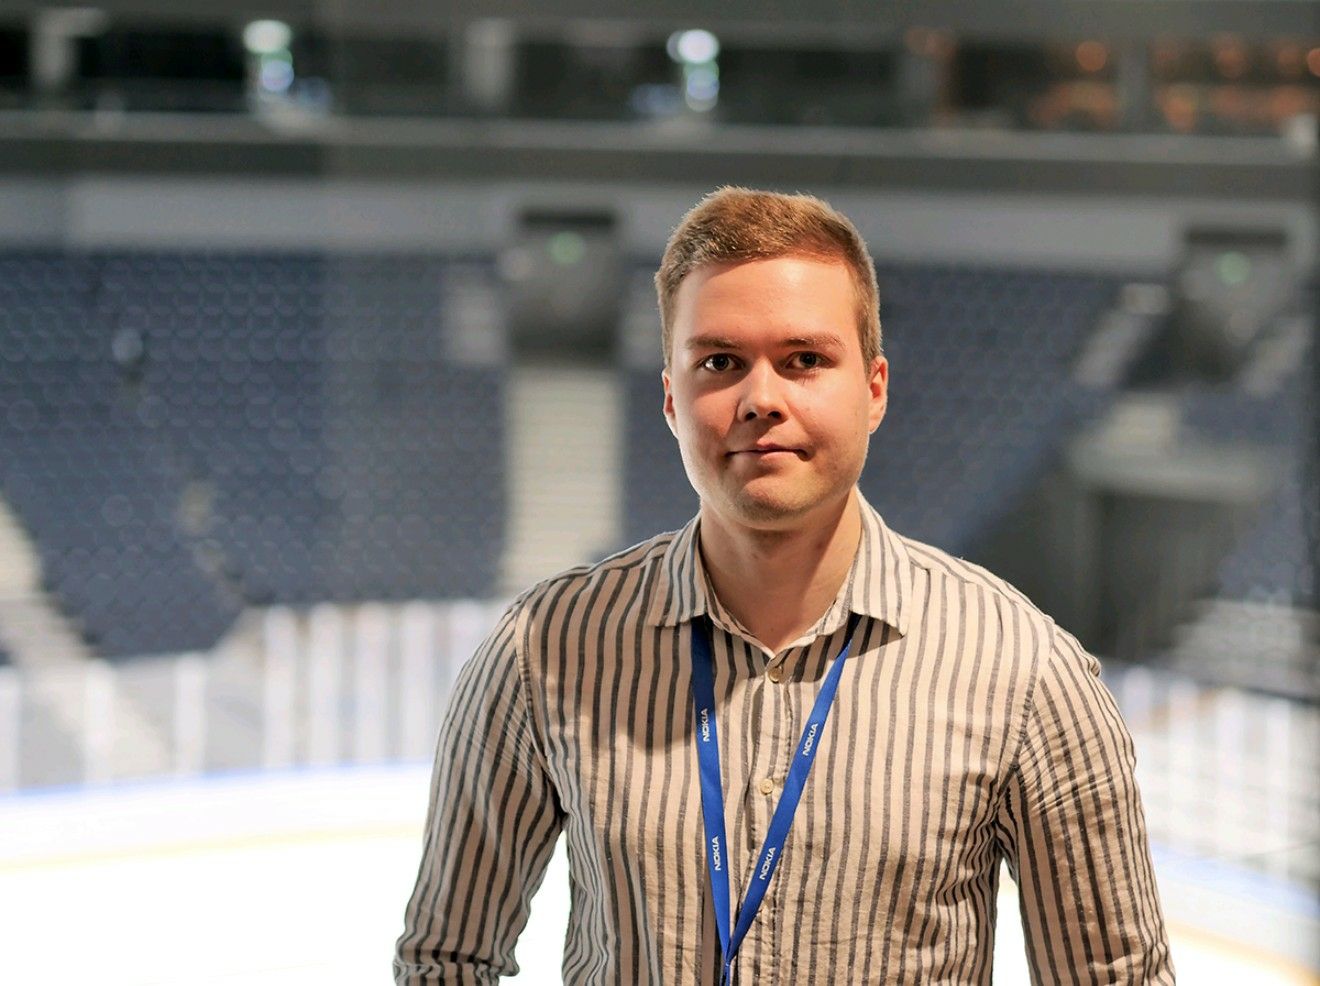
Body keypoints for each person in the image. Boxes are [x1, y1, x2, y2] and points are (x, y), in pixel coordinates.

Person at [394, 186, 1176, 984]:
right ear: (671, 399)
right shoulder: (544, 651)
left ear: (874, 389)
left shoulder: (1024, 671)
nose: (761, 399)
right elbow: (445, 960)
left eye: (804, 360)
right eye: (719, 363)